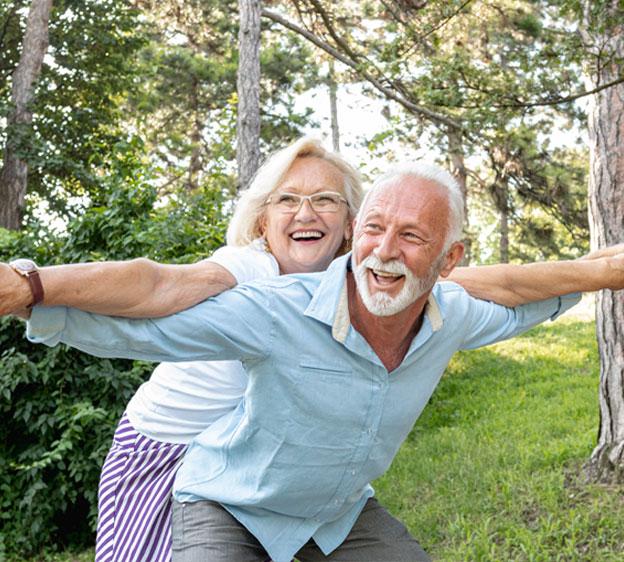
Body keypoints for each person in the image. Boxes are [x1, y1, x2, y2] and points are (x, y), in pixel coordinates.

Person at [18, 161, 624, 561]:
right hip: (229, 501)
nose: (385, 252)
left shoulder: (453, 314)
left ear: (449, 259)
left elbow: (519, 302)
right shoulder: (270, 303)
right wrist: (31, 290)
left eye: (411, 237)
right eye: (376, 230)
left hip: (333, 511)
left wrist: (598, 273)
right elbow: (153, 318)